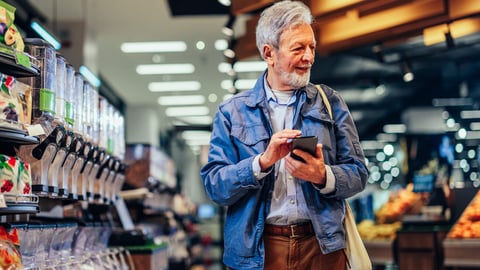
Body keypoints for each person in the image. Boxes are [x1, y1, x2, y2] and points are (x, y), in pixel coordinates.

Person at [200, 1, 369, 269]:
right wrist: (261, 163)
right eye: (298, 48)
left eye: (311, 47)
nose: (309, 57)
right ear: (270, 53)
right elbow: (214, 186)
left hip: (322, 247)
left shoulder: (330, 103)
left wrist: (323, 176)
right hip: (260, 252)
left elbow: (359, 173)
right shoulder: (232, 112)